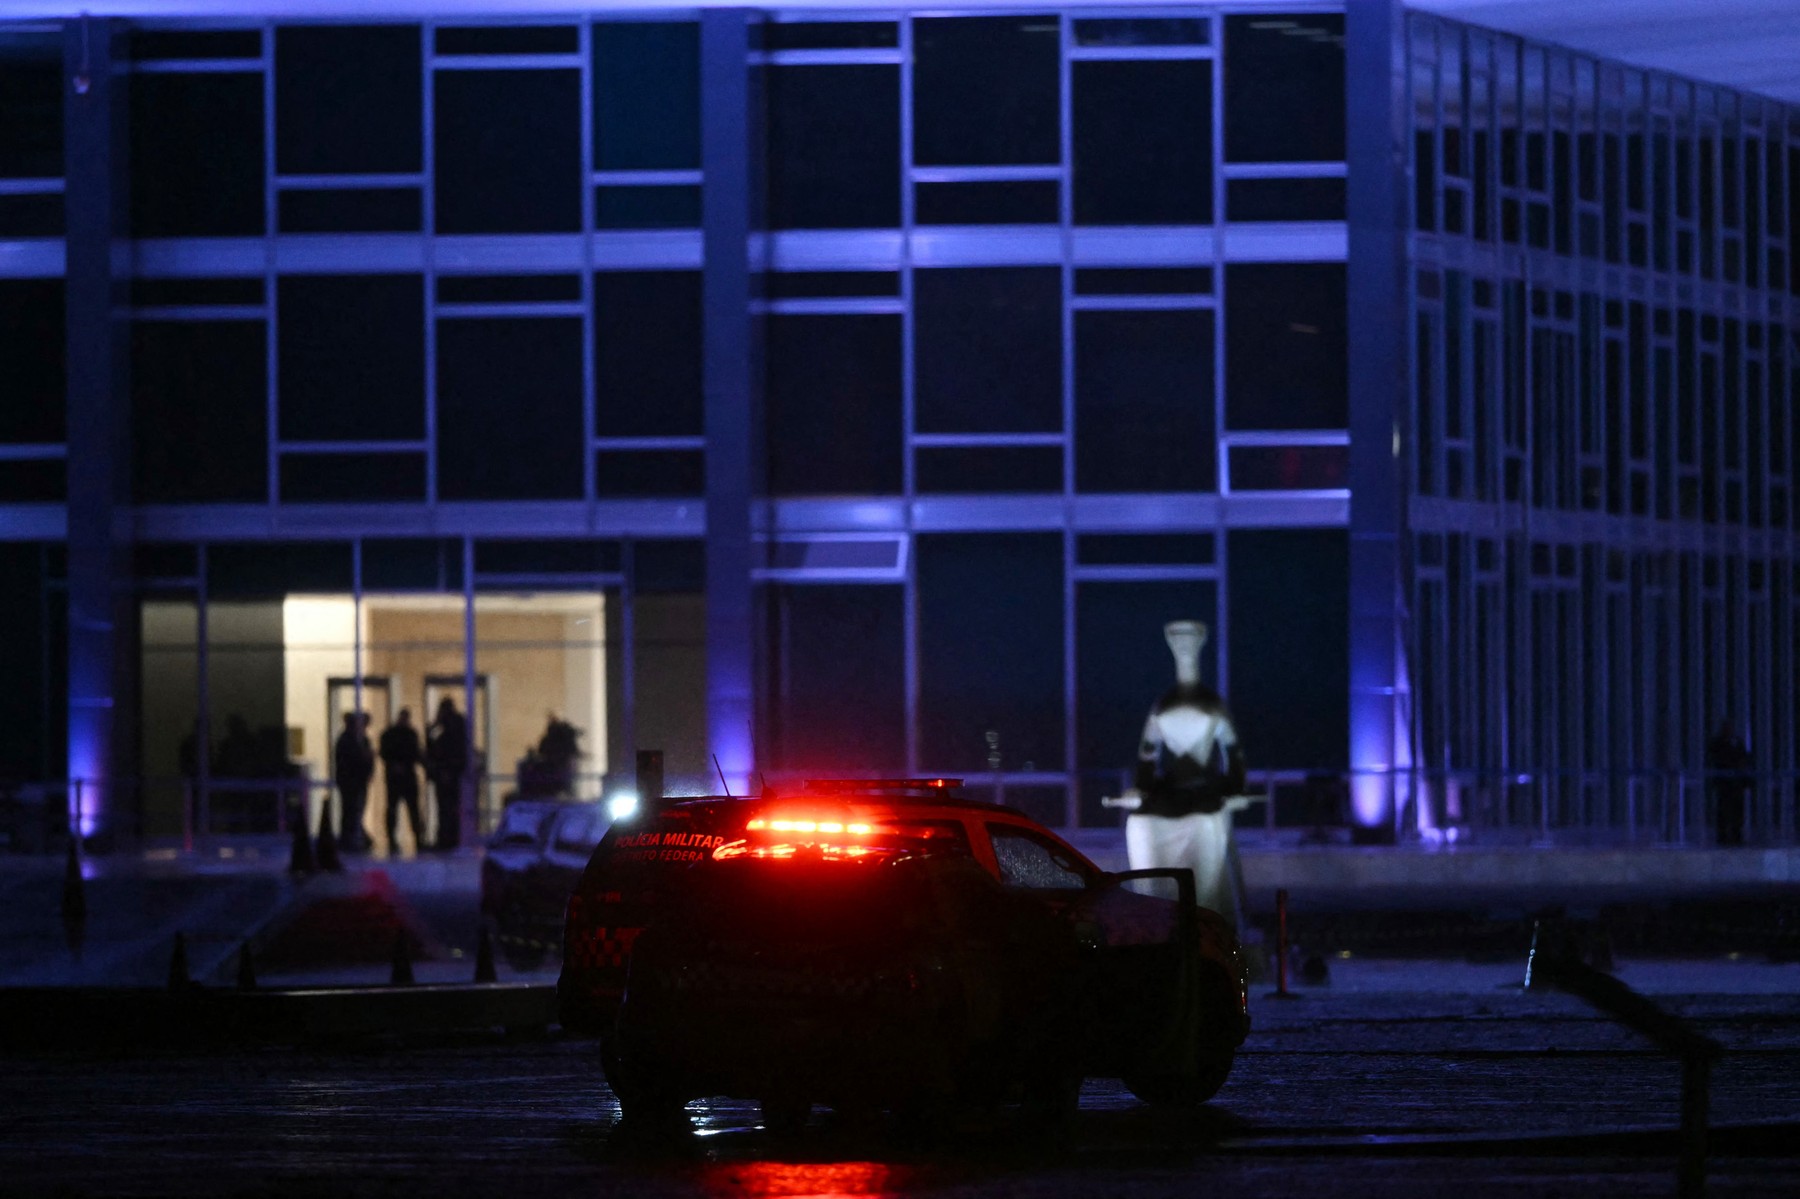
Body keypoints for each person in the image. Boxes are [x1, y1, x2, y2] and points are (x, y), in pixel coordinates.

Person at [1118, 621, 1248, 923]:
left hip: (1203, 792)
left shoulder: (1212, 704)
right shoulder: (1162, 706)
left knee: (1205, 824)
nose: (1184, 647)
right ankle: (1152, 912)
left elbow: (1234, 753)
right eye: (1178, 642)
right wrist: (1141, 789)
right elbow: (1147, 758)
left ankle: (1201, 916)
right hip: (1171, 791)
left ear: (1200, 645)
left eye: (1190, 641)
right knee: (1140, 824)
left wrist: (1234, 788)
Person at [379, 708, 426, 855]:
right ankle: (413, 839)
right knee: (408, 810)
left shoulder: (390, 734)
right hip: (404, 778)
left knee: (402, 810)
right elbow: (415, 754)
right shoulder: (408, 734)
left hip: (397, 778)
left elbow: (384, 753)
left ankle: (402, 839)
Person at [427, 697, 470, 853]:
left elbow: (444, 748)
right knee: (448, 808)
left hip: (449, 773)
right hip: (449, 772)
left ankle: (448, 839)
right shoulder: (457, 724)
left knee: (447, 808)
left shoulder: (451, 727)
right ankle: (448, 838)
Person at [333, 711, 375, 853]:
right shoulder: (347, 740)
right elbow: (351, 760)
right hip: (350, 782)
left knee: (356, 810)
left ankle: (355, 837)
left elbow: (368, 760)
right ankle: (349, 838)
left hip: (358, 781)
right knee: (351, 810)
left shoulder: (361, 740)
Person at [1708, 719, 1751, 847]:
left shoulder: (1737, 742)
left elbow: (1743, 758)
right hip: (1725, 783)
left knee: (1737, 810)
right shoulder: (1717, 743)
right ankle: (1723, 836)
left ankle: (1736, 835)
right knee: (1723, 810)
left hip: (1736, 783)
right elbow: (1716, 759)